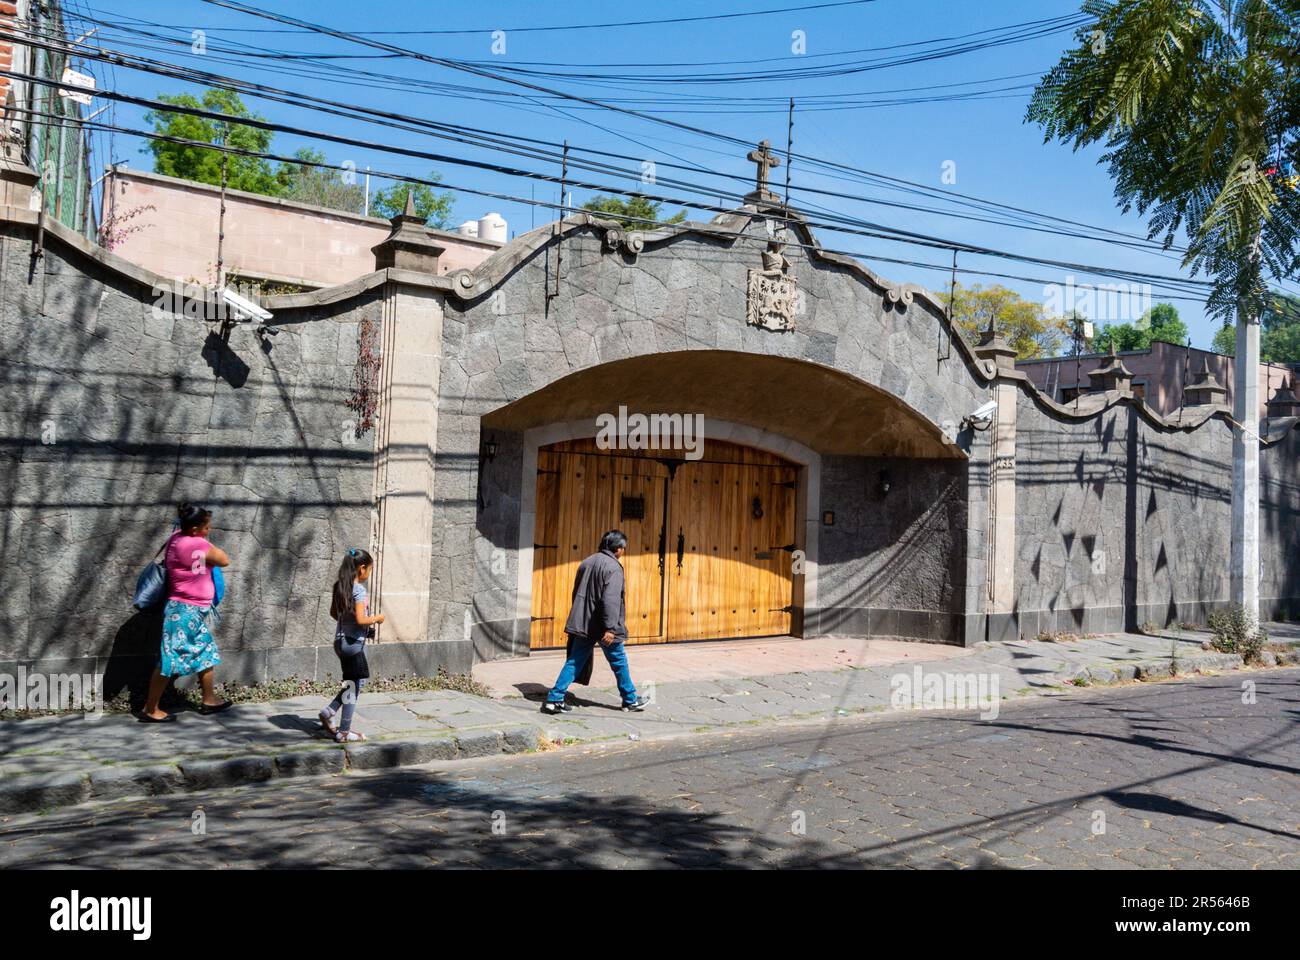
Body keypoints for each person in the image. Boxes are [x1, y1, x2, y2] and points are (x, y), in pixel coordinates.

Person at [138, 503, 232, 722]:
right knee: (168, 659)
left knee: (206, 650)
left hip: (191, 612)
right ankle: (150, 709)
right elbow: (224, 559)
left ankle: (209, 699)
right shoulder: (197, 543)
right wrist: (204, 540)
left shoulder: (176, 539)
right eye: (206, 527)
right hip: (183, 611)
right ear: (195, 529)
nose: (209, 531)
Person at [543, 529, 650, 715]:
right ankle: (630, 700)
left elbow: (577, 593)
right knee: (618, 661)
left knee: (575, 661)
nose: (623, 552)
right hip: (603, 626)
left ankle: (554, 699)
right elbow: (611, 600)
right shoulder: (613, 567)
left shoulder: (587, 562)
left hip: (584, 623)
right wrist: (610, 628)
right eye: (624, 549)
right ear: (618, 548)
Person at [320, 548, 384, 743]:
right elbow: (361, 619)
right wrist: (378, 618)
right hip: (354, 644)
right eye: (370, 570)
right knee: (354, 687)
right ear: (361, 568)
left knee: (354, 682)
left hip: (340, 642)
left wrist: (347, 621)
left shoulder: (339, 586)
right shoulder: (359, 590)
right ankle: (344, 732)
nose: (369, 574)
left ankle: (328, 712)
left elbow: (334, 613)